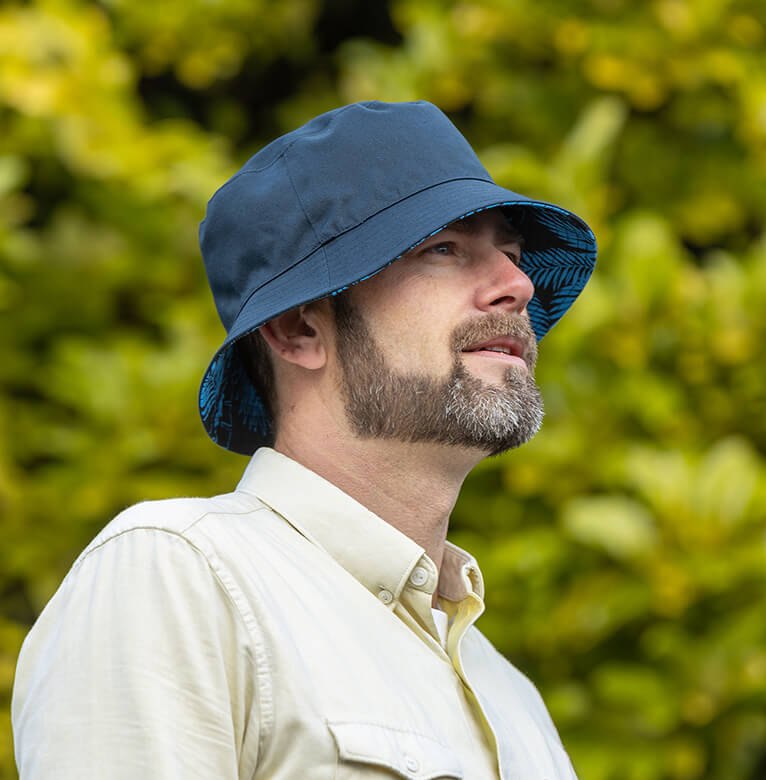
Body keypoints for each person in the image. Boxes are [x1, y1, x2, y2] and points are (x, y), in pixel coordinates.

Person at [12, 100, 597, 779]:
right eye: (442, 249)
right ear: (298, 330)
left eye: (512, 252)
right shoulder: (181, 580)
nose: (517, 284)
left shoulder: (515, 705)